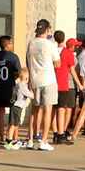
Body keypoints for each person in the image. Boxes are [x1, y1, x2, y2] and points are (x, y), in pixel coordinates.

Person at [24, 19, 60, 152]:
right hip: (48, 79)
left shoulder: (31, 43)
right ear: (48, 30)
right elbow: (58, 63)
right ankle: (43, 140)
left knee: (35, 110)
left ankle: (31, 139)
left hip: (35, 79)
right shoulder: (50, 44)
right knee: (47, 110)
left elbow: (27, 62)